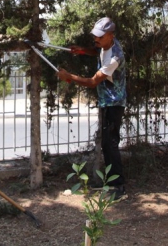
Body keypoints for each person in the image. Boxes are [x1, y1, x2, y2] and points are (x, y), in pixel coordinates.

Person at [57, 17, 127, 200]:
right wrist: (82, 51)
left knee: (110, 144)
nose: (96, 40)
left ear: (110, 35)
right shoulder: (106, 45)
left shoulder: (115, 58)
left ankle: (118, 186)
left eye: (100, 37)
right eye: (95, 36)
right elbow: (97, 51)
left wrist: (68, 77)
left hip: (114, 103)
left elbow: (92, 82)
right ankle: (112, 182)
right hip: (107, 101)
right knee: (107, 143)